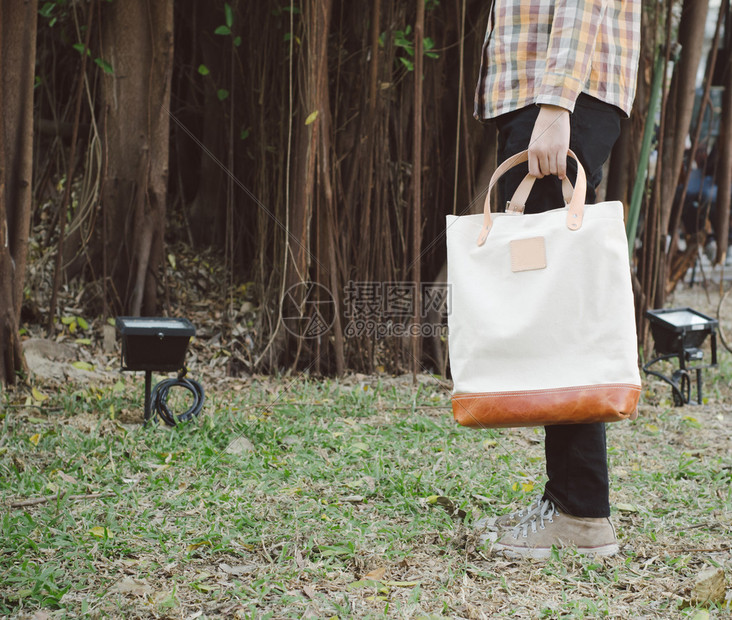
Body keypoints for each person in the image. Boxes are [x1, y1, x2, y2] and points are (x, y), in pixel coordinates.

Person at [473, 0, 641, 558]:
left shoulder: (558, 103)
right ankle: (564, 498)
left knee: (560, 306)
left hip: (562, 95)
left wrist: (555, 102)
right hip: (553, 91)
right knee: (554, 304)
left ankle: (582, 514)